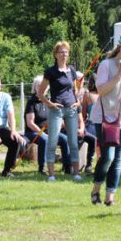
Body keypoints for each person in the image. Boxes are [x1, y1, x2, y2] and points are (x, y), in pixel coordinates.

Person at [89, 35, 121, 206]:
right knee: (108, 157)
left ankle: (110, 196)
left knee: (118, 158)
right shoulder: (106, 65)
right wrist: (119, 75)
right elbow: (102, 90)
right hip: (105, 116)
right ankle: (96, 189)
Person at [36, 41, 82, 181]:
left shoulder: (72, 70)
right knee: (53, 141)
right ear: (55, 55)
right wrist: (50, 104)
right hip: (56, 111)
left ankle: (76, 173)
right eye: (61, 52)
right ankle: (51, 174)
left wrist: (78, 100)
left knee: (73, 142)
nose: (64, 54)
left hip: (71, 110)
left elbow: (76, 88)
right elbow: (40, 93)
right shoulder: (50, 71)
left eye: (66, 52)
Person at [24, 76, 71, 175]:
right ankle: (43, 168)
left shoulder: (50, 101)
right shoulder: (31, 102)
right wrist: (42, 134)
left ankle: (67, 167)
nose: (42, 88)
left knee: (64, 139)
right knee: (45, 140)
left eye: (44, 86)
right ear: (35, 87)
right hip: (33, 132)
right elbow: (30, 123)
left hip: (49, 131)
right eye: (39, 86)